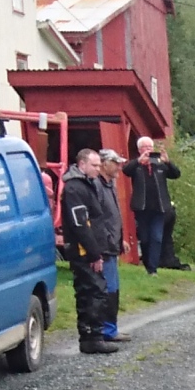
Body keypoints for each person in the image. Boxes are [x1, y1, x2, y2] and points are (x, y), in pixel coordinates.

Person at [62, 148, 126, 353]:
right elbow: (81, 224)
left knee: (95, 290)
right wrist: (94, 253)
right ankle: (93, 337)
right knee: (92, 292)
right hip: (83, 252)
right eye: (94, 165)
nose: (98, 169)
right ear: (82, 164)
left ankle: (93, 336)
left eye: (99, 165)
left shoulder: (88, 185)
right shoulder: (75, 189)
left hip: (93, 248)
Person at [127, 135, 180, 273]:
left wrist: (168, 162)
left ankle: (153, 269)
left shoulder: (160, 165)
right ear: (139, 149)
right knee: (144, 239)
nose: (148, 150)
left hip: (160, 208)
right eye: (145, 147)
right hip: (142, 208)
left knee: (157, 238)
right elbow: (126, 170)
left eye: (150, 147)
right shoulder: (136, 166)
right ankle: (147, 263)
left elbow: (176, 174)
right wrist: (139, 161)